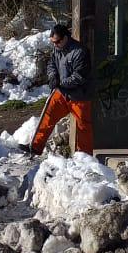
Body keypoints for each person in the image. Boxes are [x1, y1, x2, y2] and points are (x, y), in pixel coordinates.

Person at [23, 24, 93, 155]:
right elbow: (51, 64)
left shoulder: (80, 52)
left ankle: (85, 157)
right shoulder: (57, 49)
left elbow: (79, 77)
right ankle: (35, 147)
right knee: (47, 117)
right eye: (52, 42)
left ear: (65, 38)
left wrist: (60, 83)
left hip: (79, 96)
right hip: (61, 93)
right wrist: (52, 76)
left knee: (84, 127)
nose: (54, 45)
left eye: (57, 42)